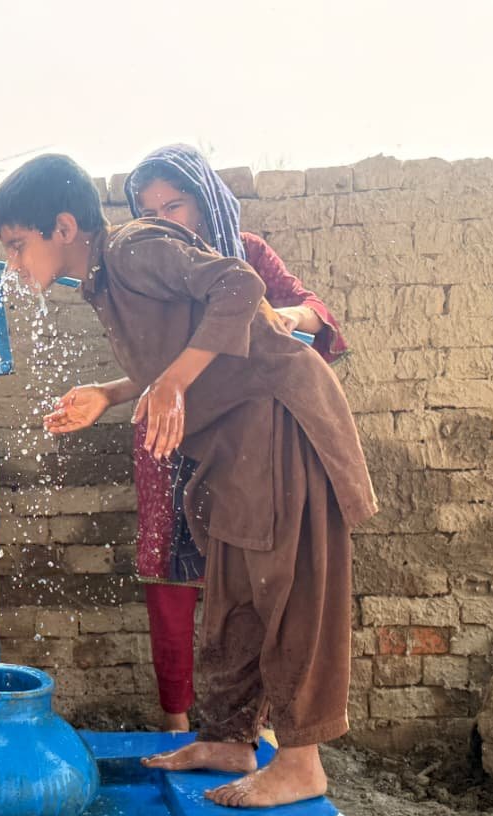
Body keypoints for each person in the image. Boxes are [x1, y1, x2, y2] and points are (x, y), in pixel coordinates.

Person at [0, 154, 376, 808]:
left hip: (279, 419)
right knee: (233, 594)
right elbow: (182, 347)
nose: (13, 264)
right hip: (238, 443)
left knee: (288, 590)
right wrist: (111, 393)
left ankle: (301, 764)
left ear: (63, 227)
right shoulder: (106, 281)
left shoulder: (133, 246)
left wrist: (171, 382)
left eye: (17, 245)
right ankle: (228, 740)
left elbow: (239, 286)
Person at [121, 144, 349, 732]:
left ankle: (258, 724)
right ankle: (176, 718)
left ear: (205, 204)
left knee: (258, 574)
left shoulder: (244, 256)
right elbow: (149, 359)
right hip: (169, 434)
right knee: (170, 577)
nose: (164, 221)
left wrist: (287, 317)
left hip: (247, 438)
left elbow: (315, 310)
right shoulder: (145, 269)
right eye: (149, 212)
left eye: (175, 207)